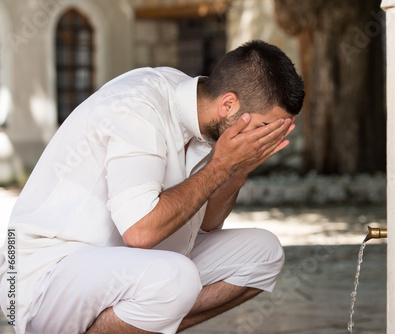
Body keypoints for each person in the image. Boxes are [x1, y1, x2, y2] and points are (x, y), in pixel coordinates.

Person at [0, 40, 304, 334]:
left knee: (264, 254)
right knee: (175, 278)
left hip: (126, 267)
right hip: (45, 275)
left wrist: (237, 171)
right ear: (228, 105)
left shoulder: (209, 117)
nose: (269, 140)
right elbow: (141, 232)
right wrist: (221, 166)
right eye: (266, 128)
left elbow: (210, 224)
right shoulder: (138, 107)